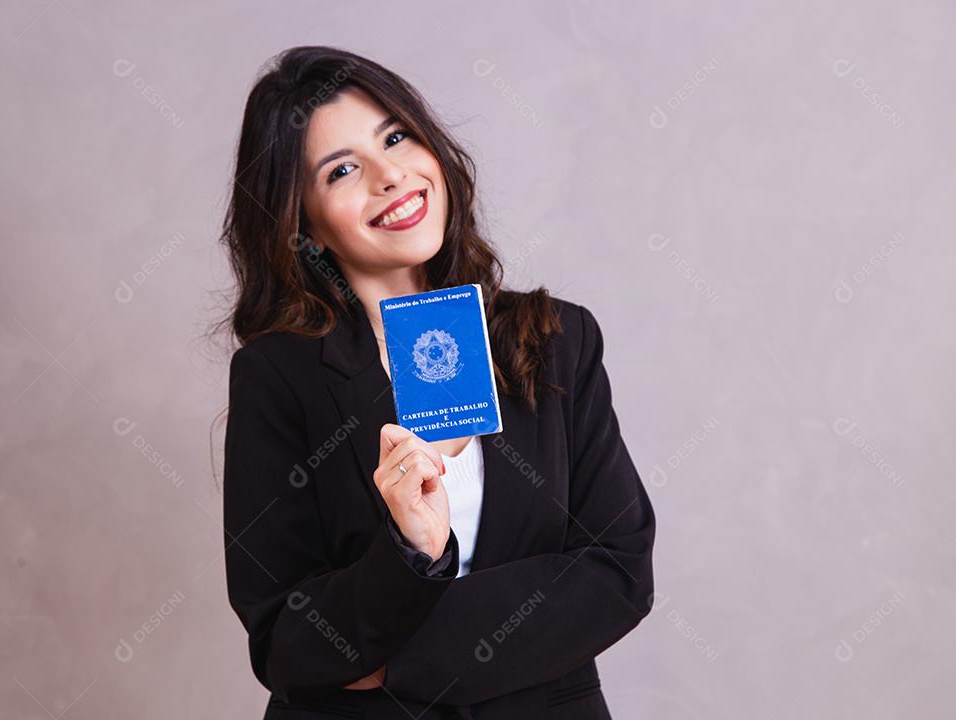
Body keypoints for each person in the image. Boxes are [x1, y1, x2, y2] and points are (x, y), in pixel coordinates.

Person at [217, 45, 656, 720]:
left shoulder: (556, 341)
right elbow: (283, 636)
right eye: (342, 170)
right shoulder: (280, 376)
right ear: (302, 221)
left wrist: (403, 663)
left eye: (395, 136)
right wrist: (411, 553)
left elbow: (619, 570)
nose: (390, 176)